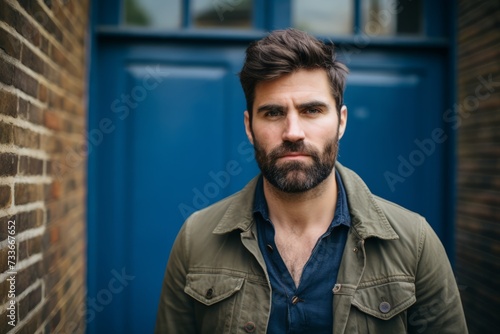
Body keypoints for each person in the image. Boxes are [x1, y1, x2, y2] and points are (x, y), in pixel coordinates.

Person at [155, 28, 468, 334]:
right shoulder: (195, 239)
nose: (293, 132)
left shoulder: (415, 243)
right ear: (250, 126)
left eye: (312, 110)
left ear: (341, 121)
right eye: (273, 113)